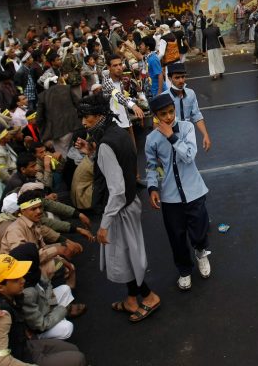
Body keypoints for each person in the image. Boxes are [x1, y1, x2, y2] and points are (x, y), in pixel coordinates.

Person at [74, 95, 160, 322]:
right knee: (125, 255)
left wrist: (104, 224)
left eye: (87, 117)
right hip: (128, 205)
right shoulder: (118, 132)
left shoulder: (105, 145)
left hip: (120, 210)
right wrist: (91, 153)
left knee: (129, 257)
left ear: (100, 115)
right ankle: (132, 299)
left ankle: (149, 297)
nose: (84, 123)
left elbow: (117, 189)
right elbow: (118, 169)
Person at [145, 93, 212, 291]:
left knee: (199, 231)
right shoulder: (151, 139)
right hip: (170, 197)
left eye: (171, 112)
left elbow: (189, 155)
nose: (168, 117)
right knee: (176, 236)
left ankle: (201, 253)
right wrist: (153, 187)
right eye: (163, 114)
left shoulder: (187, 128)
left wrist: (172, 136)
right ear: (156, 115)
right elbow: (151, 166)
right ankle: (184, 270)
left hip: (194, 191)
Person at [0, 254, 86, 366]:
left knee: (74, 349)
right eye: (16, 279)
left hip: (25, 345)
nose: (23, 280)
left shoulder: (10, 294)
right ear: (0, 287)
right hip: (20, 358)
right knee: (79, 359)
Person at [163, 63, 212, 151]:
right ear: (170, 78)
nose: (181, 80)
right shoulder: (164, 97)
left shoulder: (190, 94)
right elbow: (158, 122)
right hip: (170, 137)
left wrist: (205, 135)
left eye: (183, 77)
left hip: (188, 136)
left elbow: (197, 115)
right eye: (177, 78)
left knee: (189, 161)